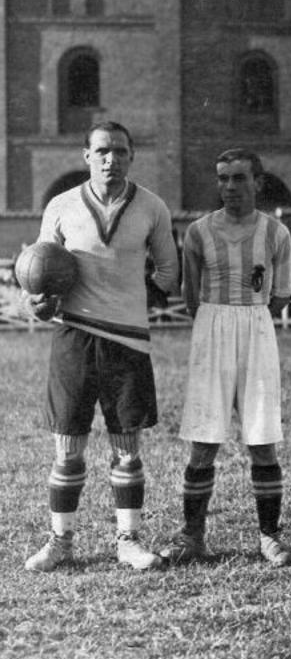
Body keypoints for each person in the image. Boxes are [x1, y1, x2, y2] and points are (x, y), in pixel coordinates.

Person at [24, 121, 179, 572]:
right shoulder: (61, 205)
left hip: (126, 340)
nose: (112, 159)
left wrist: (131, 302)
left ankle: (128, 540)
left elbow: (168, 271)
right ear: (86, 155)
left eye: (121, 151)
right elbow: (38, 270)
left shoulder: (152, 206)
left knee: (126, 447)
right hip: (73, 334)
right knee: (67, 446)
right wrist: (38, 302)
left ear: (132, 156)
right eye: (103, 151)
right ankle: (60, 541)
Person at [159, 148, 291, 567]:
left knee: (262, 439)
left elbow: (281, 295)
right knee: (203, 440)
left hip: (256, 328)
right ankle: (193, 536)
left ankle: (270, 536)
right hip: (211, 327)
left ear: (258, 181)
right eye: (223, 179)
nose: (230, 187)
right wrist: (221, 319)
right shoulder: (199, 232)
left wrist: (249, 317)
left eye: (239, 178)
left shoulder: (276, 233)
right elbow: (189, 296)